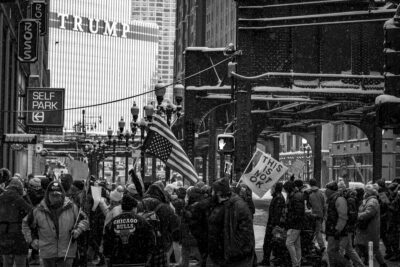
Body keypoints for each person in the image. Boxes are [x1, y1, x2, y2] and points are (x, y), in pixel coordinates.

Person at [22, 181, 89, 267]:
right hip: (47, 253)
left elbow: (84, 220)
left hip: (66, 253)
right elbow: (25, 223)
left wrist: (78, 230)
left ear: (62, 195)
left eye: (57, 195)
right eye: (52, 195)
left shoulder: (72, 207)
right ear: (47, 195)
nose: (55, 198)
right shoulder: (38, 210)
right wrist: (31, 240)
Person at [207, 178, 255, 267]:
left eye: (213, 190)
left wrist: (234, 251)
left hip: (233, 257)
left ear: (219, 192)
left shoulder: (237, 206)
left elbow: (245, 234)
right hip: (218, 254)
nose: (211, 192)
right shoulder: (217, 204)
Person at [103, 193, 155, 266]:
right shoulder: (142, 221)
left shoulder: (112, 222)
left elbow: (106, 242)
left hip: (117, 261)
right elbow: (151, 240)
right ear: (134, 208)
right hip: (138, 260)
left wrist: (107, 257)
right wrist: (148, 256)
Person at [143, 183, 180, 267]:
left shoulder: (139, 204)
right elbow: (175, 226)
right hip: (161, 244)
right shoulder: (166, 207)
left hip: (143, 244)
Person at [0, 178, 32, 267]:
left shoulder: (1, 197)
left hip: (4, 235)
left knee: (6, 261)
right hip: (19, 235)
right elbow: (32, 212)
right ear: (19, 188)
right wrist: (25, 196)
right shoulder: (19, 199)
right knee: (20, 261)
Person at [354, 184, 388, 267]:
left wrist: (357, 215)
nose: (364, 193)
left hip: (369, 230)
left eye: (365, 191)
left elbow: (368, 213)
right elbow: (362, 209)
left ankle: (375, 264)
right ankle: (380, 264)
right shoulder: (367, 200)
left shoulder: (372, 201)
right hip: (366, 230)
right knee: (367, 248)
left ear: (368, 192)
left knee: (371, 249)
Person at [258, 182, 285, 266]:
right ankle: (269, 260)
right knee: (271, 244)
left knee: (269, 243)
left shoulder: (278, 198)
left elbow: (276, 214)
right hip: (273, 225)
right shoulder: (277, 197)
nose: (270, 189)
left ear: (275, 189)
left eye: (272, 188)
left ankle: (268, 260)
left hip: (273, 226)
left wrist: (273, 226)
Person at [284, 180, 305, 267]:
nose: (285, 191)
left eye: (285, 189)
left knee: (289, 243)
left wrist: (291, 221)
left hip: (295, 224)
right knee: (297, 245)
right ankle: (297, 263)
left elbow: (298, 212)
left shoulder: (295, 196)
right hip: (297, 224)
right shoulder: (296, 195)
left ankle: (295, 264)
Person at [306, 178, 326, 252]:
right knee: (317, 231)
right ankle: (318, 245)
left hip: (313, 215)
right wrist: (323, 215)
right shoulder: (321, 193)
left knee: (315, 231)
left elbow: (308, 206)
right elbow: (324, 205)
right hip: (320, 215)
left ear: (309, 184)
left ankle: (321, 246)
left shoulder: (309, 193)